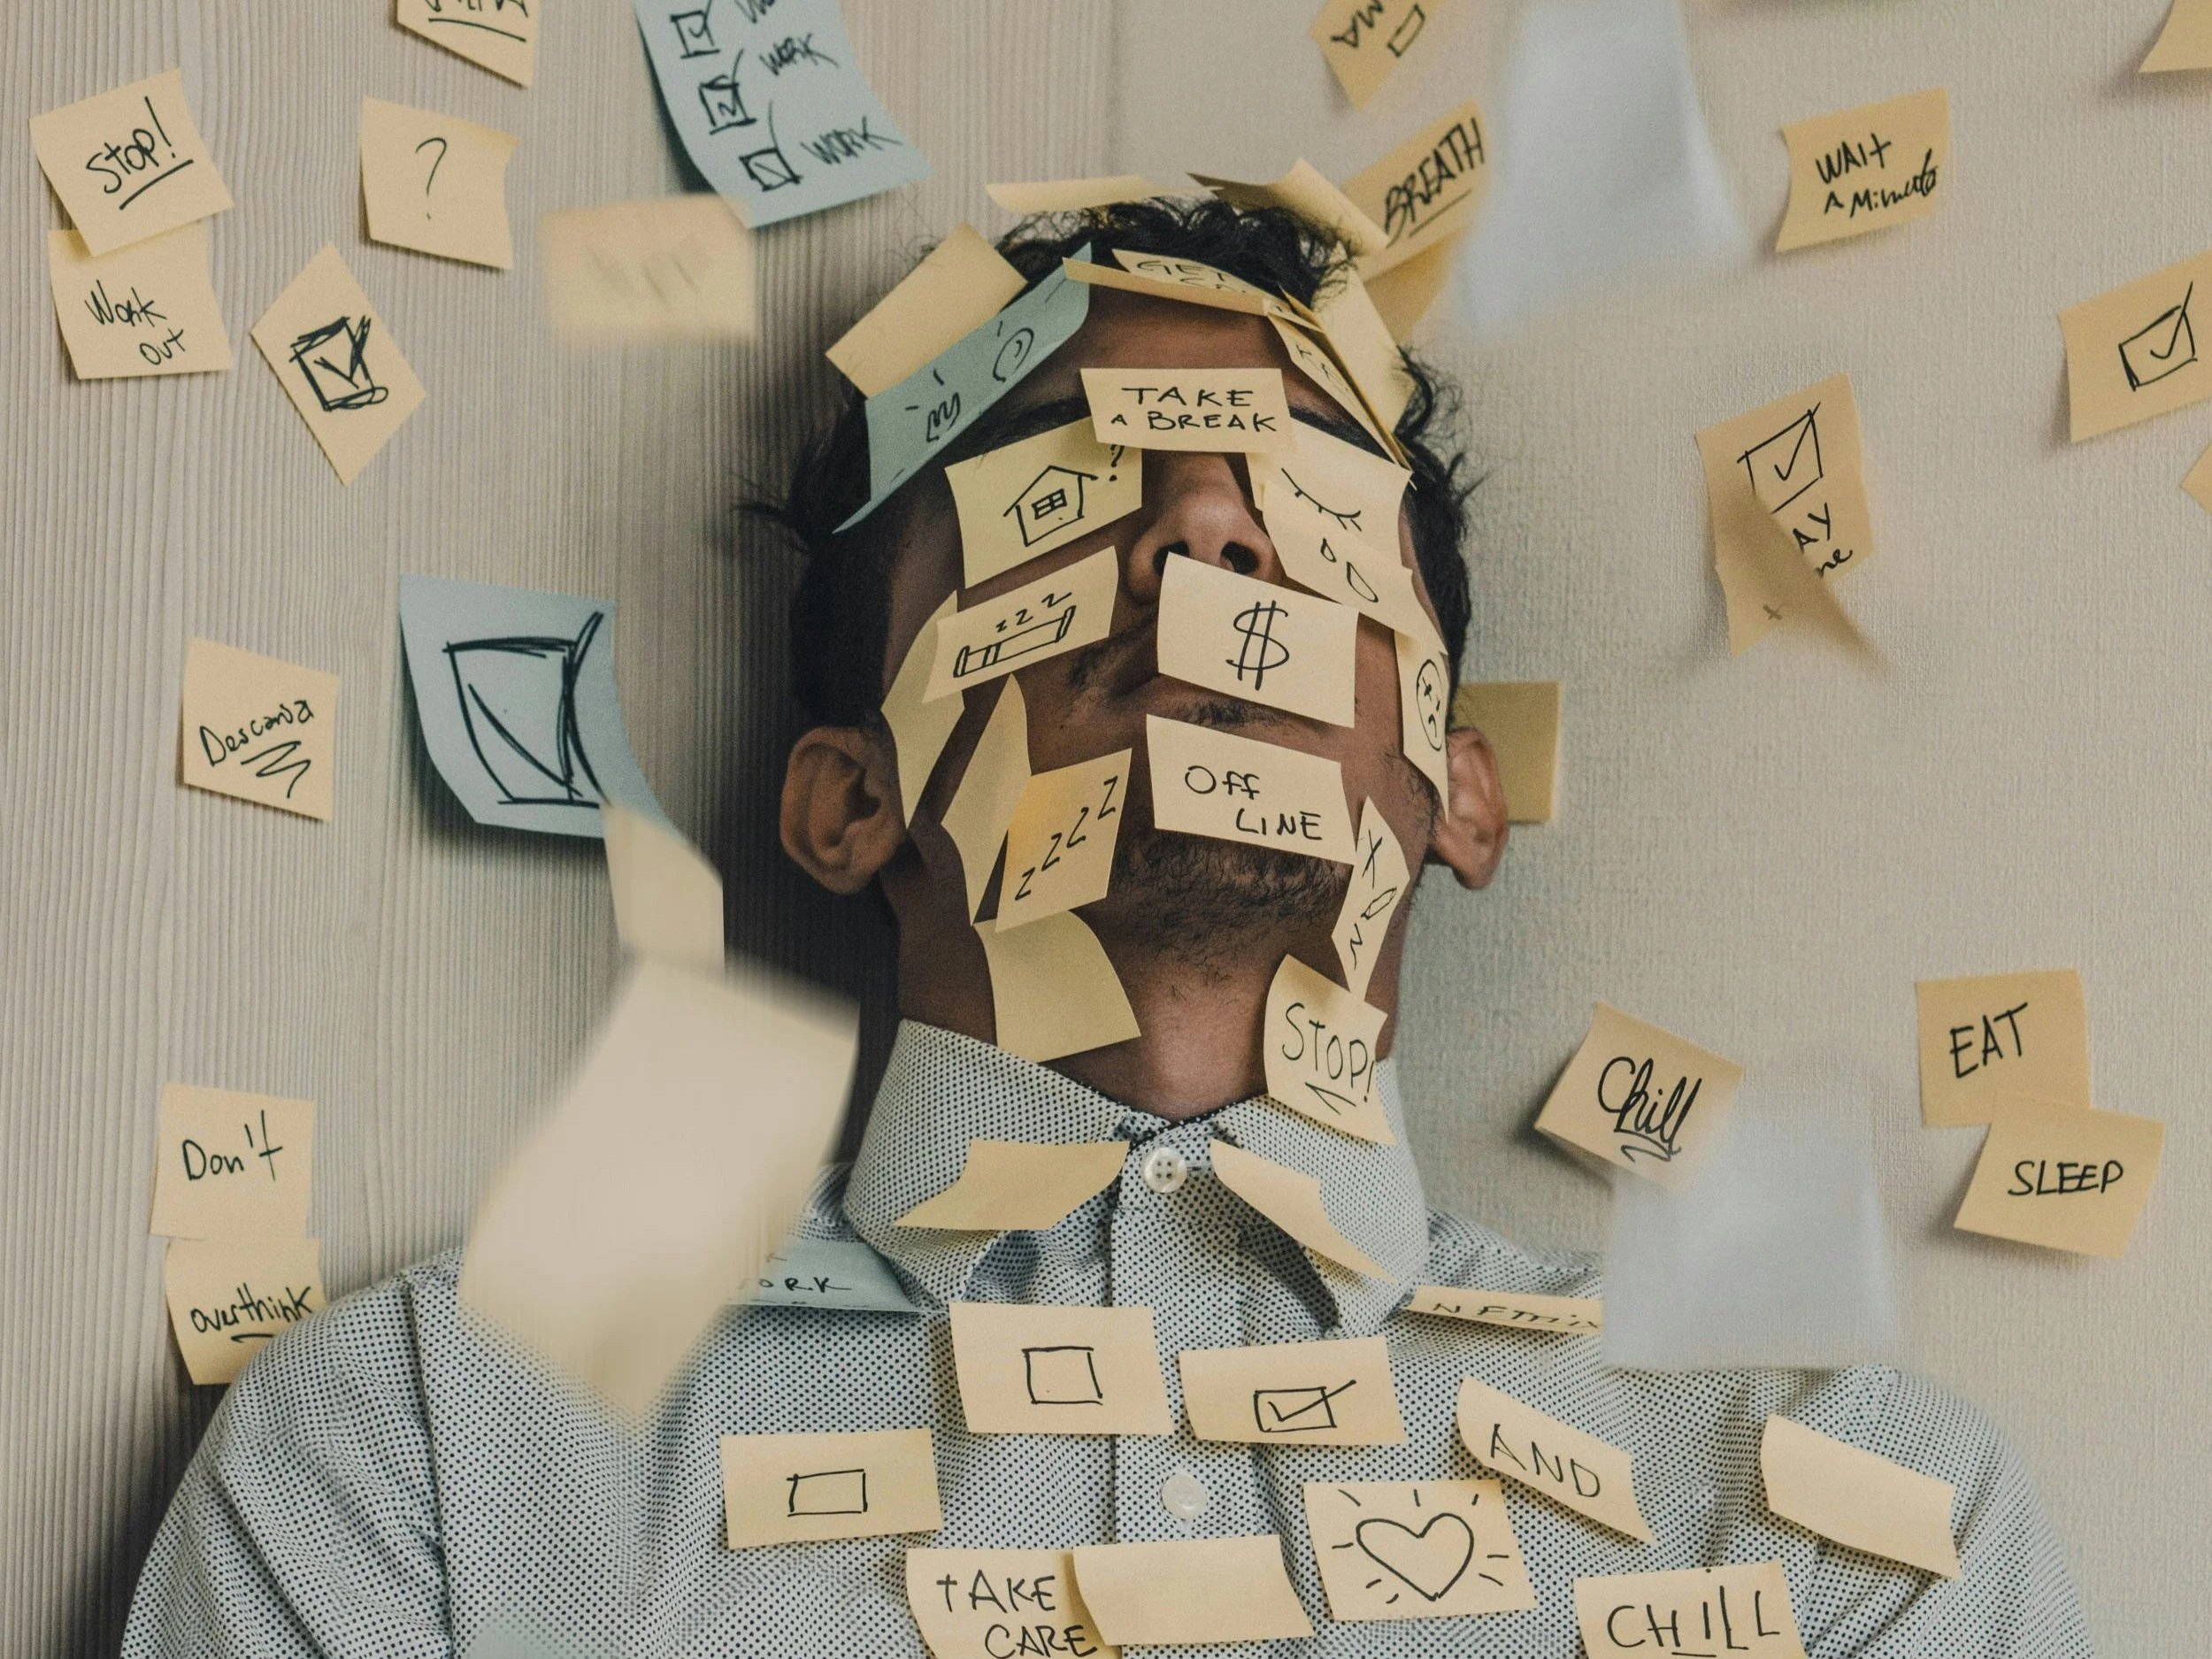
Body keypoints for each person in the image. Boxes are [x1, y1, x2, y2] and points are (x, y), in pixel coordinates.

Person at [123, 198, 2092, 1658]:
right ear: (849, 797)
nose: (1206, 533)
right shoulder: (438, 1448)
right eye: (1067, 480)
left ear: (1456, 784)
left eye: (1310, 501)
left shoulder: (1833, 1517)